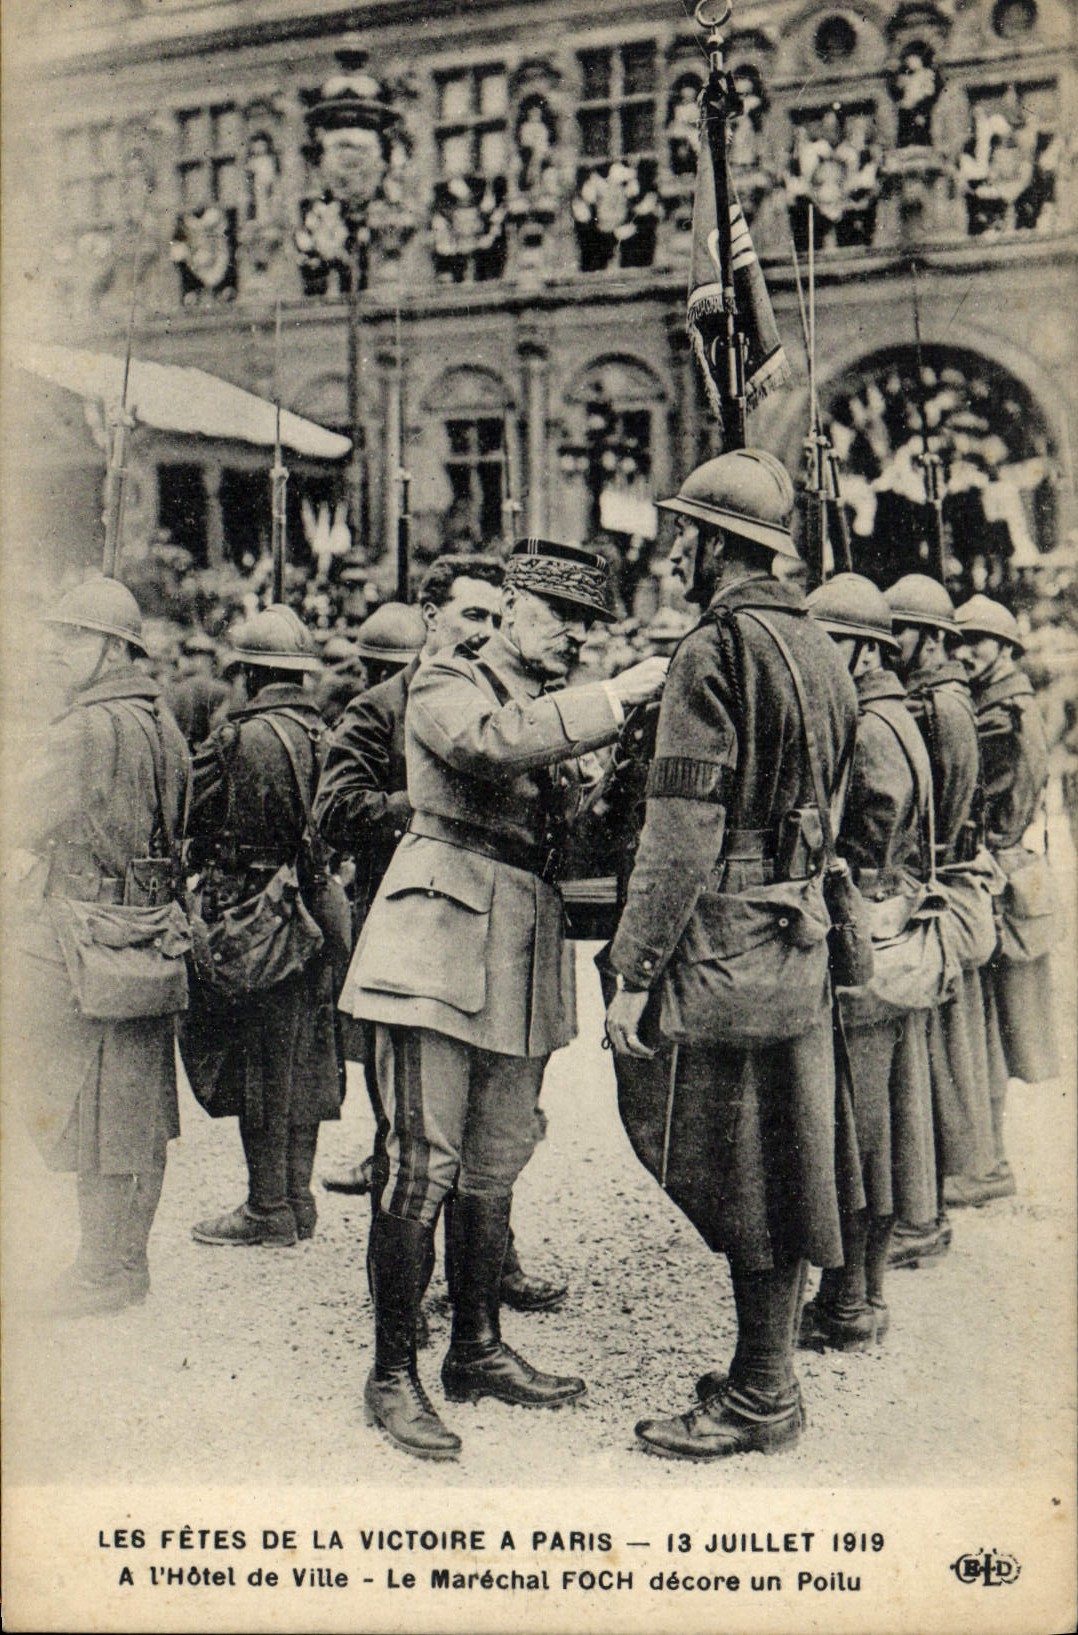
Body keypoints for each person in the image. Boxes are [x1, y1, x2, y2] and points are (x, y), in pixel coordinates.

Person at [340, 539, 667, 1459]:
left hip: (520, 940)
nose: (577, 637)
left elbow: (581, 832)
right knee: (420, 1162)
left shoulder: (543, 706)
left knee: (494, 1159)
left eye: (592, 626)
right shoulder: (450, 675)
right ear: (513, 606)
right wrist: (617, 696)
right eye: (562, 616)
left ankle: (476, 1347)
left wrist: (631, 759)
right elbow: (488, 749)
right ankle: (392, 1371)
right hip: (434, 940)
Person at [605, 450, 859, 1460]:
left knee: (739, 1163)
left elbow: (679, 831)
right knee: (787, 1157)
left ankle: (762, 1394)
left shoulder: (711, 651)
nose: (672, 550)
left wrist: (632, 971)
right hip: (793, 932)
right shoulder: (820, 645)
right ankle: (766, 1376)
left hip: (722, 942)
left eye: (685, 532)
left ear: (717, 544)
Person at [317, 567, 568, 1313]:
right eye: (469, 612)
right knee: (419, 1147)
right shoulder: (399, 700)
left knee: (493, 1145)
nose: (483, 628)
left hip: (503, 927)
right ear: (432, 616)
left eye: (498, 613)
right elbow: (337, 809)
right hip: (418, 923)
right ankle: (395, 1357)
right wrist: (430, 801)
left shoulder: (527, 700)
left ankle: (480, 1323)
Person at [11, 577, 190, 1316]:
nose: (57, 648)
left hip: (86, 937)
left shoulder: (83, 729)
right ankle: (126, 1262)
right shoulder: (161, 719)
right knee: (139, 1104)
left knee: (91, 1103)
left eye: (75, 637)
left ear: (115, 647)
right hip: (152, 932)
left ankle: (102, 1271)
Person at [181, 604, 344, 1247]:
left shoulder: (238, 737)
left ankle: (266, 1208)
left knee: (258, 1060)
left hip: (254, 912)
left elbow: (189, 807)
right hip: (318, 907)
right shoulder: (323, 734)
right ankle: (297, 1200)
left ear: (248, 674)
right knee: (306, 1053)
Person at [804, 574, 939, 1346]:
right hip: (888, 929)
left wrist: (846, 883)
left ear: (860, 649)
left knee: (855, 1130)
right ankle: (862, 1294)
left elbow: (875, 829)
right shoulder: (895, 711)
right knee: (875, 1126)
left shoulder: (871, 722)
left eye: (828, 640)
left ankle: (850, 1302)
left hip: (866, 933)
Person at [883, 574, 994, 1267]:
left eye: (899, 631)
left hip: (934, 890)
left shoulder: (942, 706)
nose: (889, 643)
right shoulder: (939, 698)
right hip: (936, 885)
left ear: (929, 638)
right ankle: (926, 1208)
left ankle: (922, 1216)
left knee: (926, 1067)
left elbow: (944, 817)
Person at [948, 594, 1057, 1206]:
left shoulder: (1000, 712)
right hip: (1010, 874)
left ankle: (985, 1163)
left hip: (998, 877)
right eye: (960, 643)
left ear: (1006, 650)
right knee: (989, 1027)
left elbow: (987, 800)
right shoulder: (1006, 700)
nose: (965, 654)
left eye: (978, 644)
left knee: (984, 1027)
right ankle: (985, 1159)